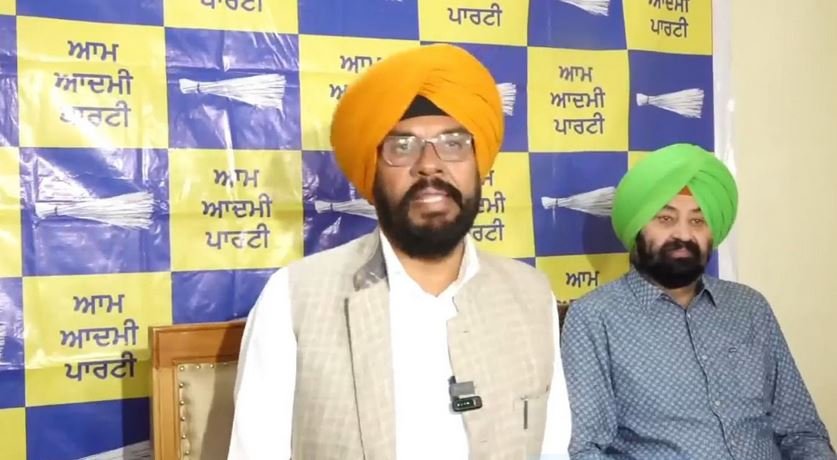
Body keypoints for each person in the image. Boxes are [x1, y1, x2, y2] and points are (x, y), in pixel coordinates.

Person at [227, 43, 572, 459]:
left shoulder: (531, 296)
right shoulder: (294, 299)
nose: (429, 164)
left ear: (478, 165)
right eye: (402, 146)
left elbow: (552, 449)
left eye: (453, 143)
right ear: (372, 172)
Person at [560, 143, 836, 459]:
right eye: (665, 219)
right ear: (637, 229)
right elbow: (587, 449)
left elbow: (802, 432)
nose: (683, 235)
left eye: (697, 221)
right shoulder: (595, 317)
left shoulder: (749, 307)